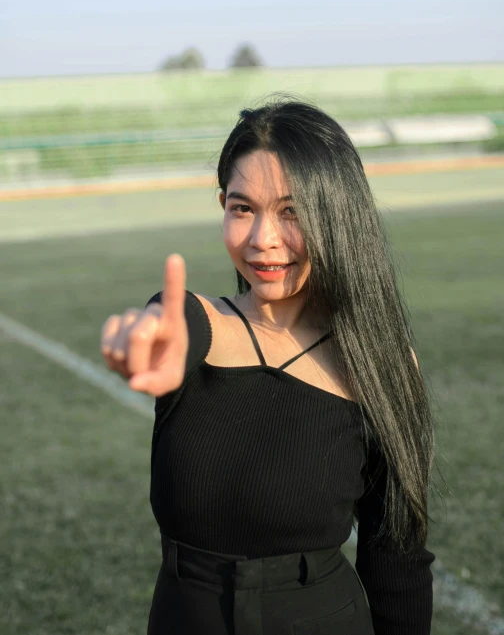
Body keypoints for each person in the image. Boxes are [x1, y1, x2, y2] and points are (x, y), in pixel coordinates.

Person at [101, 98, 438, 635]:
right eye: (242, 208)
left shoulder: (382, 364)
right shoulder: (196, 320)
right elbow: (170, 327)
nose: (263, 240)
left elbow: (395, 555)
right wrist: (147, 346)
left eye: (292, 211)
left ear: (337, 215)